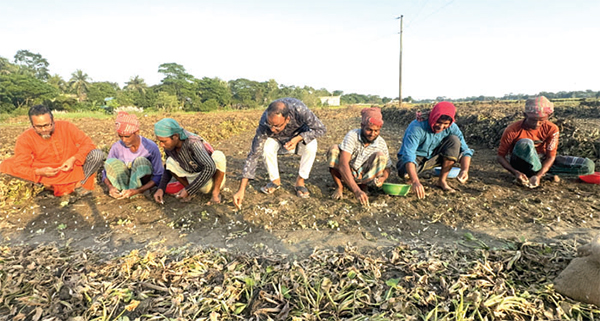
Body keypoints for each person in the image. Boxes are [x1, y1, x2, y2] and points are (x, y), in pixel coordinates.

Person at [233, 97, 326, 209]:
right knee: (266, 147)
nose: (272, 129)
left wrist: (299, 138)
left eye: (276, 126)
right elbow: (254, 154)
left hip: (299, 139)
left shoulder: (300, 110)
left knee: (312, 145)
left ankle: (300, 181)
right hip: (278, 141)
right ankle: (275, 180)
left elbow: (321, 129)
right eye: (270, 125)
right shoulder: (264, 123)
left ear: (287, 119)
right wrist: (241, 189)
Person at [0, 104, 105, 197]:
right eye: (39, 127)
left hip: (71, 169)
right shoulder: (25, 138)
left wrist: (73, 159)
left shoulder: (66, 126)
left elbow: (88, 144)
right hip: (46, 173)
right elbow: (21, 164)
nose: (44, 130)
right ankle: (50, 186)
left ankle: (79, 185)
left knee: (97, 154)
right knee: (7, 165)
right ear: (33, 126)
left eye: (47, 125)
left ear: (53, 121)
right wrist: (39, 172)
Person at [496, 96, 594, 188]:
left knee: (588, 166)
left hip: (540, 160)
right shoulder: (512, 130)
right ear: (525, 115)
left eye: (541, 121)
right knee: (525, 143)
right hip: (522, 163)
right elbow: (500, 156)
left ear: (548, 117)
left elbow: (550, 156)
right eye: (533, 120)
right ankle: (541, 174)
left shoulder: (552, 128)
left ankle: (540, 174)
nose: (537, 124)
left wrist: (539, 175)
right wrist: (515, 172)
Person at [396, 101, 473, 199]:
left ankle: (442, 181)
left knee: (454, 140)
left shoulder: (452, 127)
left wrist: (464, 170)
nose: (441, 127)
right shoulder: (416, 128)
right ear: (433, 117)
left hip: (433, 157)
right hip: (415, 159)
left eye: (445, 124)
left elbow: (465, 150)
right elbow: (408, 156)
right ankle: (412, 177)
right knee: (406, 174)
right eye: (438, 122)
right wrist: (416, 182)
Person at [327, 107, 391, 206]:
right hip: (348, 171)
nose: (372, 134)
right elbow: (343, 164)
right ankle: (339, 187)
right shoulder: (352, 135)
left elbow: (387, 167)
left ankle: (363, 186)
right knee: (334, 150)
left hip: (363, 175)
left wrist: (383, 178)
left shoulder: (381, 143)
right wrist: (356, 192)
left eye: (376, 131)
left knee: (381, 157)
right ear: (362, 126)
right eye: (369, 130)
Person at [153, 118, 226, 204]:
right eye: (159, 141)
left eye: (163, 141)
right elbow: (168, 169)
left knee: (218, 156)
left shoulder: (193, 143)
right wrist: (161, 188)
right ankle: (190, 193)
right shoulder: (169, 147)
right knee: (170, 162)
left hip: (211, 179)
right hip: (195, 180)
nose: (161, 145)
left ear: (175, 136)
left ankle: (216, 193)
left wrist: (189, 190)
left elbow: (210, 167)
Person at [102, 112, 164, 199]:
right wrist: (110, 187)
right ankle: (123, 191)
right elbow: (105, 172)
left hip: (142, 185)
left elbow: (158, 175)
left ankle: (141, 192)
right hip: (124, 182)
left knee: (140, 162)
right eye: (120, 136)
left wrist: (138, 190)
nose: (124, 140)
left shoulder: (150, 147)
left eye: (127, 136)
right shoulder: (116, 147)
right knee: (110, 162)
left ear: (136, 132)